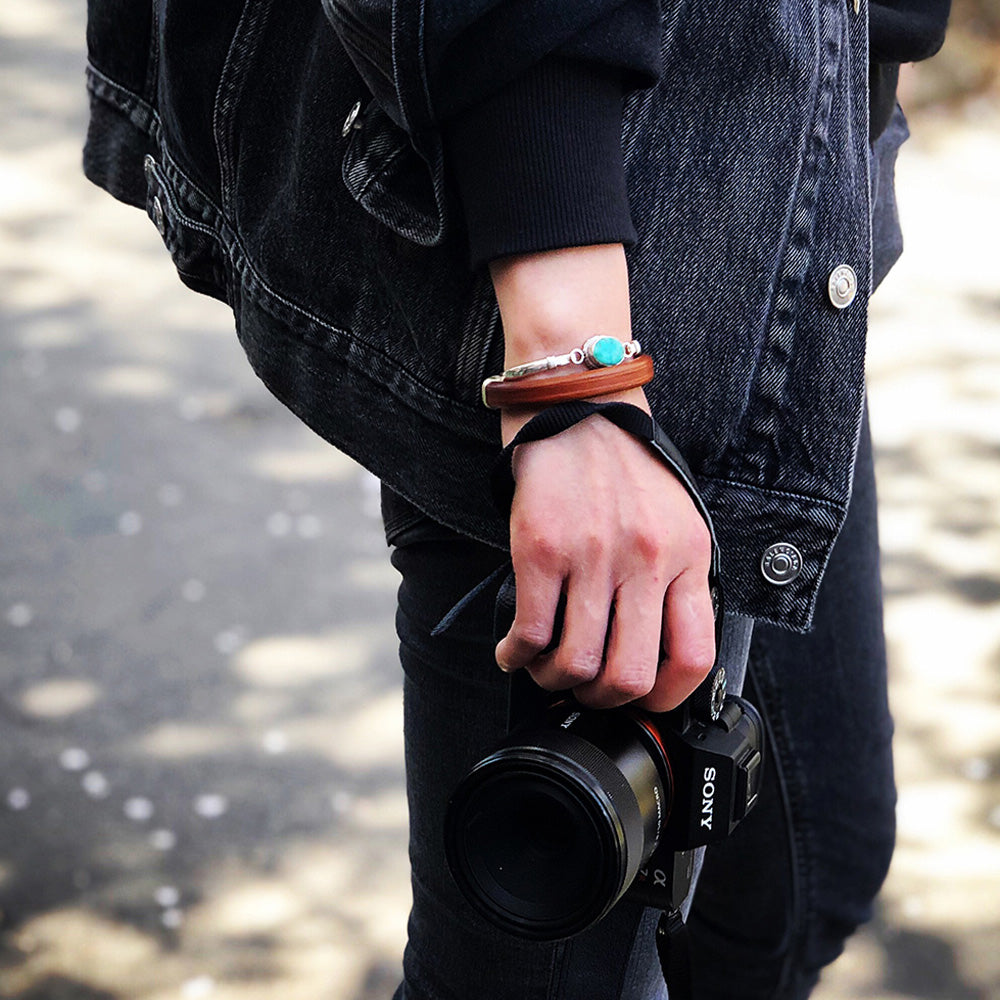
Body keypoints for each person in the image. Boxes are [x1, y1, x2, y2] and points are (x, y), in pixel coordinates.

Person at [82, 1, 950, 996]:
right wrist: (574, 377)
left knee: (800, 884)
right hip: (585, 252)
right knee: (541, 964)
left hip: (782, 178)